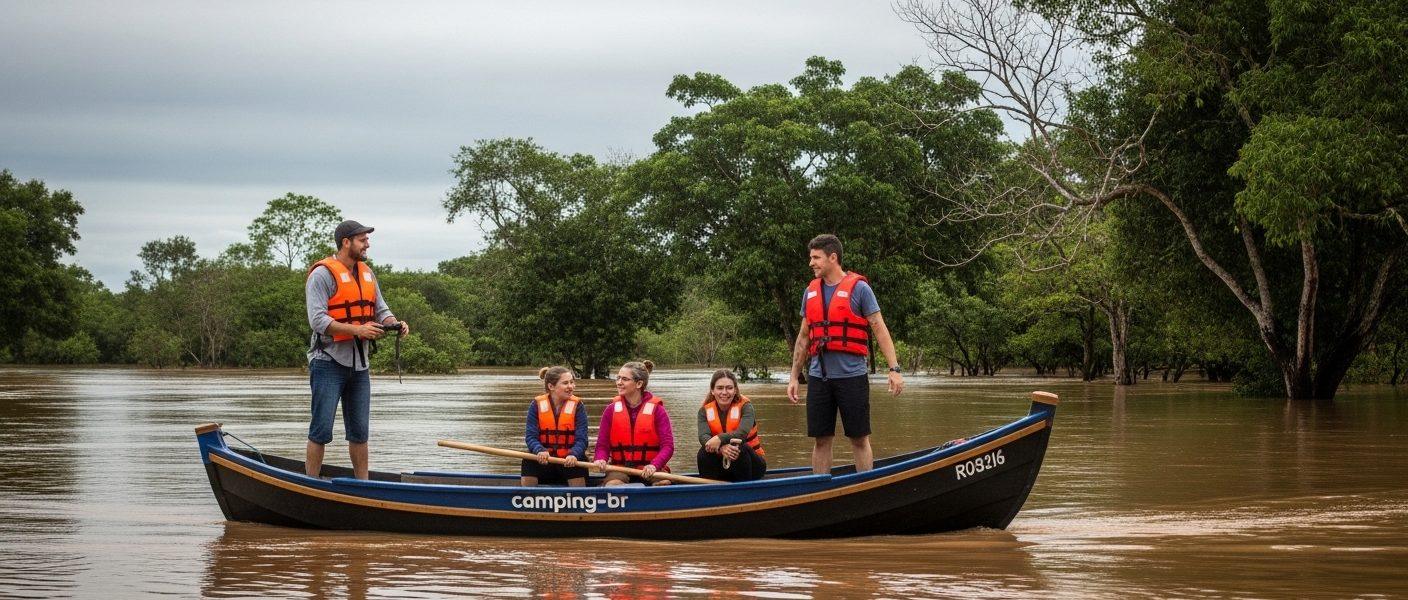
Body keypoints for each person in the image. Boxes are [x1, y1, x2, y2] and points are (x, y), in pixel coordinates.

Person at [786, 234, 903, 475]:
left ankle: (865, 488)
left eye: (816, 257)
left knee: (859, 438)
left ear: (833, 257)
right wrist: (793, 377)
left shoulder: (860, 288)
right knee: (821, 440)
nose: (811, 263)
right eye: (811, 257)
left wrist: (894, 369)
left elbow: (879, 328)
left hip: (852, 378)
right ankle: (820, 491)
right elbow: (804, 337)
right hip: (819, 378)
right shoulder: (810, 292)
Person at [303, 219, 410, 480]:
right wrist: (357, 330)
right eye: (363, 240)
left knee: (360, 432)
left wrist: (394, 323)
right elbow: (318, 321)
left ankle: (363, 487)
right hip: (327, 361)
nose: (367, 244)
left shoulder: (367, 273)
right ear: (346, 242)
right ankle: (310, 483)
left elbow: (380, 309)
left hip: (359, 366)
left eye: (367, 239)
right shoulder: (322, 275)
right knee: (321, 430)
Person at [593, 360, 675, 486]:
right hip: (620, 468)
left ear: (639, 383)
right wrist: (600, 459)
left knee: (664, 482)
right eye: (618, 378)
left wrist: (654, 465)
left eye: (625, 379)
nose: (619, 382)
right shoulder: (611, 410)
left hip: (651, 468)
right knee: (613, 484)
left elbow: (667, 446)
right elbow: (602, 445)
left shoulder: (658, 411)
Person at [522, 366, 589, 487]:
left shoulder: (578, 406)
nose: (571, 386)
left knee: (579, 460)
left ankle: (580, 500)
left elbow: (582, 440)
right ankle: (528, 497)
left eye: (572, 382)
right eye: (565, 383)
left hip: (569, 461)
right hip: (544, 461)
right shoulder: (536, 405)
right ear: (551, 387)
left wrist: (574, 454)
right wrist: (540, 450)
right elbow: (530, 437)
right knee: (528, 459)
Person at [696, 369, 767, 482]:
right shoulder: (704, 411)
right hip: (722, 463)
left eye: (729, 388)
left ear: (735, 391)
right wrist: (720, 448)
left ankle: (744, 490)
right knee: (703, 453)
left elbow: (741, 434)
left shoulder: (746, 407)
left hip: (752, 464)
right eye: (720, 388)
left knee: (739, 448)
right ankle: (710, 490)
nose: (724, 392)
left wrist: (720, 439)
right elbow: (703, 436)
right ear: (712, 391)